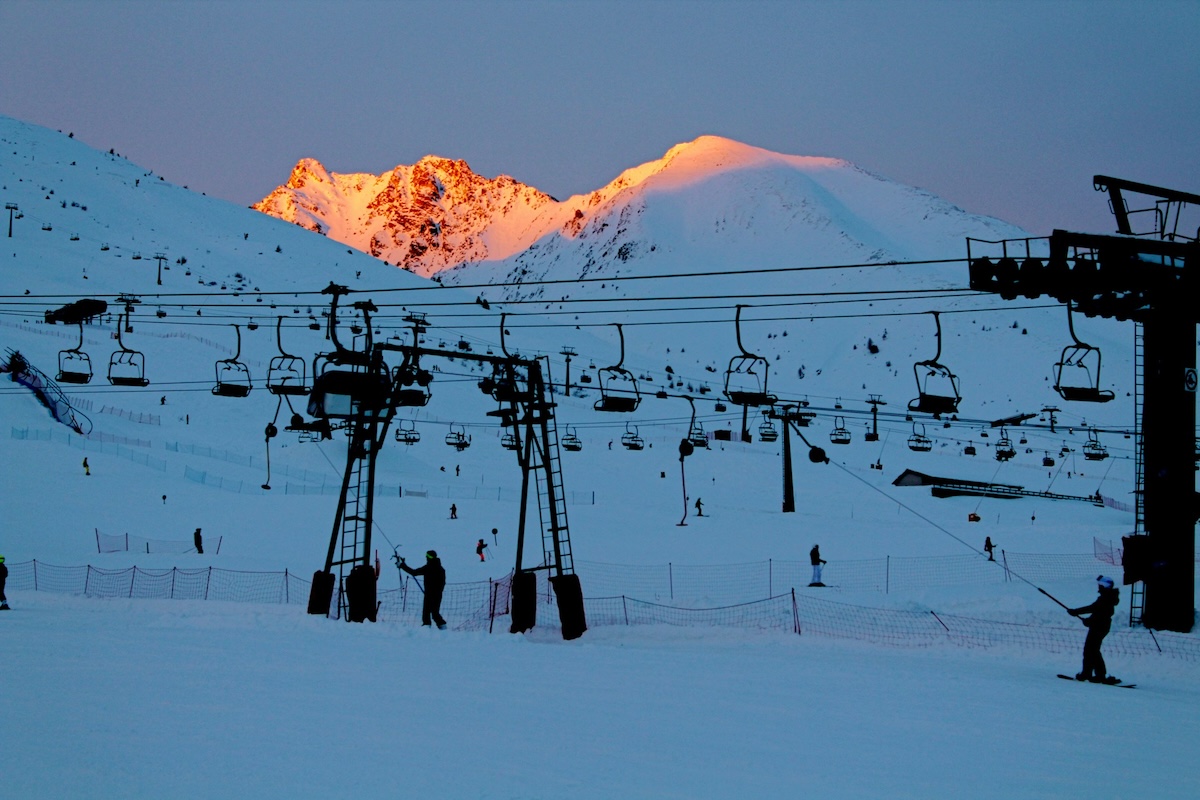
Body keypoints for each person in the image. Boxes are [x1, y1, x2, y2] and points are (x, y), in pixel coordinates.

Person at [1068, 575, 1121, 683]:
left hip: (1099, 626)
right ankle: (1092, 674)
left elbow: (1095, 609)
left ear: (1103, 586)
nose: (1098, 587)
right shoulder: (1107, 597)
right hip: (1100, 626)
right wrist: (1089, 620)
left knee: (1091, 650)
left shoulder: (1106, 598)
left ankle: (1093, 674)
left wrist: (1076, 612)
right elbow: (1097, 612)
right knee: (1092, 650)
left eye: (1100, 585)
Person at [399, 550, 447, 629]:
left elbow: (414, 572)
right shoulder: (441, 568)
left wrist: (402, 566)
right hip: (438, 594)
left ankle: (427, 628)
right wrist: (403, 564)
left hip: (429, 594)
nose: (426, 558)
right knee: (435, 613)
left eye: (427, 556)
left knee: (426, 612)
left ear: (429, 557)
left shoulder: (428, 567)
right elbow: (443, 583)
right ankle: (443, 629)